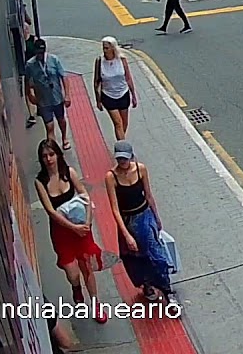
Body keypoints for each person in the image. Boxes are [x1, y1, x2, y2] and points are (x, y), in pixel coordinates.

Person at [34, 140, 108, 322]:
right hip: (62, 232)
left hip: (82, 228)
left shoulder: (69, 173)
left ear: (58, 154)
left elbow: (85, 195)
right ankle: (76, 289)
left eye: (51, 154)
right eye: (45, 156)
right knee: (72, 272)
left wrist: (88, 222)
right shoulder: (40, 182)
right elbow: (50, 211)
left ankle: (95, 303)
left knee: (87, 267)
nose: (49, 159)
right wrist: (73, 227)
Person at [105, 141, 174, 304]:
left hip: (145, 215)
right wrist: (126, 235)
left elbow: (149, 195)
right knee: (136, 258)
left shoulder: (141, 169)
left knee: (158, 257)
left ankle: (166, 290)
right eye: (120, 159)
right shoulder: (111, 177)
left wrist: (157, 217)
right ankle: (147, 285)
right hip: (128, 220)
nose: (123, 163)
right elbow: (115, 209)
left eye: (125, 159)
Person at [25, 38, 72, 150]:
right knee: (49, 126)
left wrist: (67, 95)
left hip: (57, 98)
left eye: (42, 53)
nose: (40, 55)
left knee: (61, 120)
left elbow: (63, 77)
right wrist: (30, 95)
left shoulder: (54, 60)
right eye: (38, 53)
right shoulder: (30, 65)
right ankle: (53, 147)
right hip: (43, 100)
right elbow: (27, 81)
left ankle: (64, 138)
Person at [94, 36, 138, 140]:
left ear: (113, 48)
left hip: (123, 94)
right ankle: (122, 150)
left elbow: (128, 78)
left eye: (107, 48)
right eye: (103, 48)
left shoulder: (122, 60)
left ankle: (121, 142)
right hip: (108, 96)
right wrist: (98, 100)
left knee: (124, 123)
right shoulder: (100, 61)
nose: (105, 50)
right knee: (118, 123)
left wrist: (133, 95)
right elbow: (96, 82)